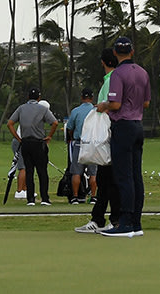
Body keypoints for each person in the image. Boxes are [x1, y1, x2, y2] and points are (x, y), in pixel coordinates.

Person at [98, 35, 151, 237]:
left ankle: (126, 222)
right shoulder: (143, 73)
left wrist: (103, 106)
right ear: (132, 51)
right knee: (136, 175)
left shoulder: (118, 74)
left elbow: (116, 104)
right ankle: (136, 222)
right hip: (138, 125)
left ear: (114, 53)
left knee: (123, 176)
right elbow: (146, 103)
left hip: (123, 126)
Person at [77, 49, 121, 234]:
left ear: (103, 62)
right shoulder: (113, 79)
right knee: (104, 180)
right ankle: (99, 218)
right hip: (110, 136)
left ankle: (113, 220)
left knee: (109, 180)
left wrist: (101, 107)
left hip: (109, 137)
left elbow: (111, 107)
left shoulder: (112, 80)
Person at [7, 88, 58, 205]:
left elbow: (10, 123)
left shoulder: (21, 108)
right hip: (39, 143)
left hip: (25, 143)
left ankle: (30, 199)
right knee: (42, 171)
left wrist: (19, 138)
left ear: (28, 97)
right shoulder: (43, 109)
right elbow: (54, 123)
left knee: (29, 171)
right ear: (38, 98)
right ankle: (44, 198)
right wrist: (49, 136)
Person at [63, 88, 96, 204]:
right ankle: (93, 196)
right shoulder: (95, 110)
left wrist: (72, 137)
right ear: (92, 98)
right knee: (93, 173)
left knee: (76, 172)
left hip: (79, 143)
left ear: (82, 97)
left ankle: (75, 197)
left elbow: (70, 128)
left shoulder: (75, 111)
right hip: (92, 144)